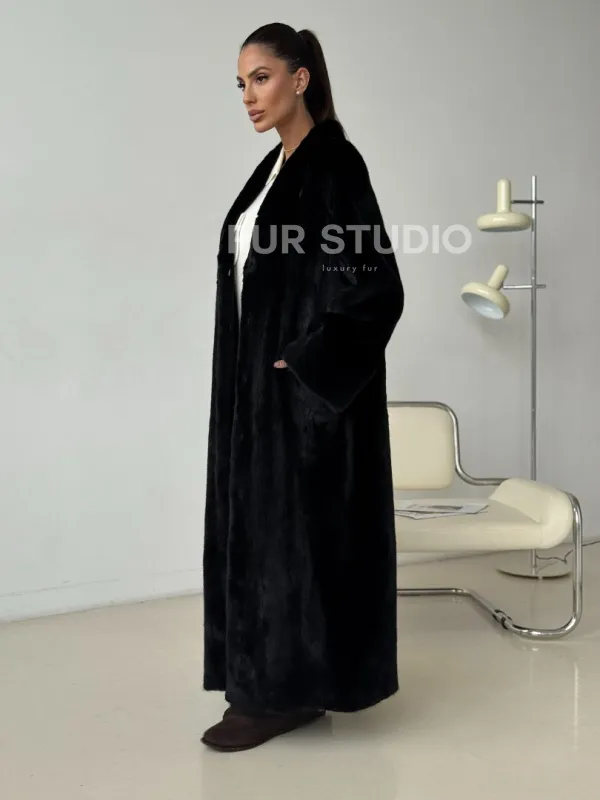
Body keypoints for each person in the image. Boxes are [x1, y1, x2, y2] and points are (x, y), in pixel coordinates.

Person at [201, 22, 405, 752]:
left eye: (260, 78)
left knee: (293, 545)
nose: (248, 96)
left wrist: (305, 362)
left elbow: (376, 289)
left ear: (300, 78)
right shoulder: (271, 172)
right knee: (256, 539)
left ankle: (282, 694)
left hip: (302, 404)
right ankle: (269, 686)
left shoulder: (335, 165)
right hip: (251, 400)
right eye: (241, 84)